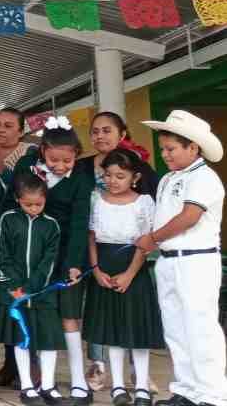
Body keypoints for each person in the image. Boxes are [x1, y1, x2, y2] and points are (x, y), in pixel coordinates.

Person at [137, 110, 227, 406]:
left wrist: (152, 238)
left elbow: (189, 217)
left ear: (193, 147)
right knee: (176, 329)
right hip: (169, 260)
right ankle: (187, 390)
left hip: (196, 261)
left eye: (171, 149)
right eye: (163, 149)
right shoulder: (168, 179)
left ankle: (213, 395)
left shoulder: (204, 177)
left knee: (200, 328)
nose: (165, 154)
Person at [10, 123, 93, 406]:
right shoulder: (30, 172)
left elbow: (81, 223)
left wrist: (73, 263)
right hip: (34, 260)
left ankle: (79, 381)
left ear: (77, 156)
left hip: (68, 258)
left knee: (69, 318)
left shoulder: (82, 180)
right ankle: (42, 382)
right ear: (42, 151)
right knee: (38, 318)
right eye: (53, 159)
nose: (59, 166)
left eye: (67, 160)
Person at [78, 112, 159, 392]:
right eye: (95, 131)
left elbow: (147, 234)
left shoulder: (143, 181)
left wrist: (131, 269)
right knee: (106, 323)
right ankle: (105, 372)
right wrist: (95, 267)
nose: (100, 135)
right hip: (101, 259)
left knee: (135, 322)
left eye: (107, 130)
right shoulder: (83, 169)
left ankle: (140, 377)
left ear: (122, 133)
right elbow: (89, 232)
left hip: (133, 261)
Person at [0, 174, 66, 406]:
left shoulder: (51, 225)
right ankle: (26, 386)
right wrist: (13, 286)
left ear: (45, 199)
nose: (34, 208)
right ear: (17, 199)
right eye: (28, 204)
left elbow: (50, 260)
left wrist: (33, 287)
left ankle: (48, 386)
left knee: (48, 340)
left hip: (42, 294)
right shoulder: (8, 219)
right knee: (21, 340)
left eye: (39, 204)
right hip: (14, 295)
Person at [0, 108, 37, 191]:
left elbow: (28, 188)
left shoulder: (31, 151)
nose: (0, 130)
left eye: (8, 126)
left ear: (21, 132)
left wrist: (1, 166)